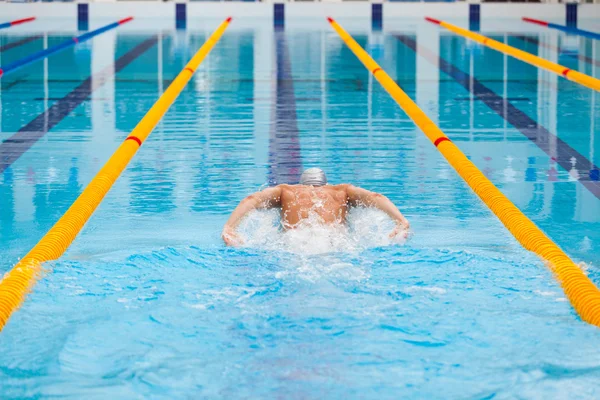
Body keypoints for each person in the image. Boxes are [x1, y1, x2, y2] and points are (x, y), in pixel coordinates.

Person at [222, 168, 410, 246]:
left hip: (294, 243)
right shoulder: (341, 191)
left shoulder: (285, 191)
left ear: (302, 183)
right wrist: (401, 221)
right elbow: (376, 197)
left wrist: (230, 228)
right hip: (333, 242)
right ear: (326, 183)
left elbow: (252, 199)